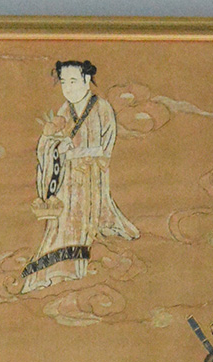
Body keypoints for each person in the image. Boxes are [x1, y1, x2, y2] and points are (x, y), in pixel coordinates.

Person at [22, 60, 138, 293]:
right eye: (64, 82)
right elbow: (51, 143)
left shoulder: (102, 108)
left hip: (90, 178)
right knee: (60, 225)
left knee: (78, 222)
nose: (68, 88)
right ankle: (51, 267)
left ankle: (73, 267)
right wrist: (53, 145)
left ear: (86, 80)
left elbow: (104, 149)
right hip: (66, 180)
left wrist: (73, 152)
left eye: (73, 81)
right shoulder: (65, 111)